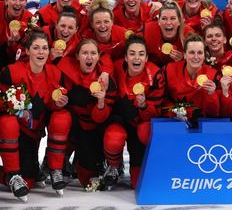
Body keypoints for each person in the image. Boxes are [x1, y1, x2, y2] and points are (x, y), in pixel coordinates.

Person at [0, 30, 72, 201]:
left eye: (45, 48)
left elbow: (51, 105)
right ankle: (12, 174)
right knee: (7, 121)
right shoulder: (11, 72)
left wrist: (58, 103)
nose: (41, 52)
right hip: (12, 131)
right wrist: (12, 105)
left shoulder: (55, 73)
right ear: (27, 51)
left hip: (33, 132)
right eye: (36, 48)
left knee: (63, 116)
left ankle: (55, 168)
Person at [102, 35, 165, 189]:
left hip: (140, 123)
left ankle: (146, 163)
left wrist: (144, 106)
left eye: (141, 54)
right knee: (113, 138)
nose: (136, 58)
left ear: (147, 57)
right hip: (119, 119)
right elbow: (104, 59)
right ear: (125, 57)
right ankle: (113, 165)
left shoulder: (156, 75)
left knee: (138, 184)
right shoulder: (116, 68)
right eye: (132, 53)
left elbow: (156, 113)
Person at [55, 39, 116, 189]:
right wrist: (57, 103)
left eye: (93, 53)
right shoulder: (64, 70)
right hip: (75, 126)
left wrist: (101, 102)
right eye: (85, 53)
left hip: (96, 128)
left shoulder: (108, 81)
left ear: (98, 57)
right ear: (77, 56)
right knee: (61, 118)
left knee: (88, 174)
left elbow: (100, 118)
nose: (89, 57)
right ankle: (58, 162)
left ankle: (109, 162)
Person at [162, 33, 220, 128]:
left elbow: (214, 114)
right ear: (184, 55)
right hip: (175, 123)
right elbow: (162, 101)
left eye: (200, 53)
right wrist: (175, 112)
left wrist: (211, 94)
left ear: (204, 55)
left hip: (203, 126)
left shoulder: (213, 75)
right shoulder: (169, 70)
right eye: (192, 52)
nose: (196, 57)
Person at [144, 2, 194, 67]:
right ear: (159, 21)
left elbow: (197, 60)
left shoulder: (188, 34)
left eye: (173, 18)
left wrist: (183, 60)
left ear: (179, 21)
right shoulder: (149, 30)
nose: (168, 22)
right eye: (164, 18)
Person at [0, 0, 34, 68]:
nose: (17, 3)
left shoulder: (30, 20)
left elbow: (32, 47)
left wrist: (20, 41)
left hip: (16, 60)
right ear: (6, 1)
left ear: (26, 2)